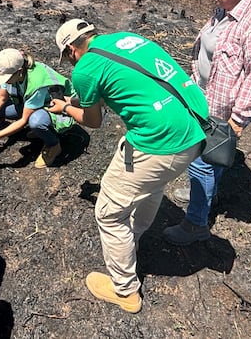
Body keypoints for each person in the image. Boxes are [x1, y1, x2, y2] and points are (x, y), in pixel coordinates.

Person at [46, 19, 208, 313]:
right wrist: (79, 98)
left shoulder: (85, 69)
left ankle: (124, 290)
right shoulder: (126, 39)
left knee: (108, 213)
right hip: (194, 127)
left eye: (67, 58)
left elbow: (94, 121)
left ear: (71, 50)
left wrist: (66, 108)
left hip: (160, 141)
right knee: (152, 185)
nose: (69, 64)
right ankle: (132, 239)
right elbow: (125, 86)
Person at [163, 0, 251, 246]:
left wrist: (237, 120)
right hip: (204, 98)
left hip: (223, 109)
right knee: (206, 159)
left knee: (202, 160)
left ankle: (196, 224)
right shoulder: (228, 10)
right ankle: (203, 192)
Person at [0, 48, 75, 169]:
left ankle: (54, 145)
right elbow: (0, 98)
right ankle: (43, 129)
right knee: (5, 111)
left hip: (61, 108)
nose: (4, 81)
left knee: (35, 121)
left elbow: (23, 121)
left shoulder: (36, 83)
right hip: (36, 102)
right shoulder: (13, 73)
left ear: (19, 71)